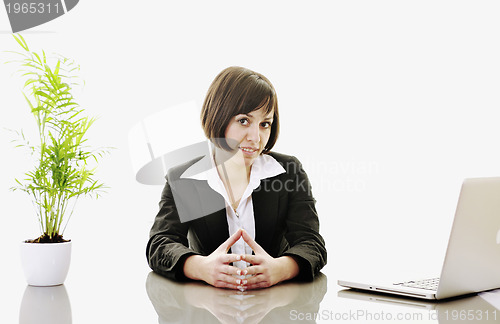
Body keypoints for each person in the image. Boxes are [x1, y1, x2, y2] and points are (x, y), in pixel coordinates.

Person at [146, 66, 326, 290]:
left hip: (275, 304)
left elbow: (312, 243)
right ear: (217, 116)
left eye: (264, 124)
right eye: (244, 121)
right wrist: (200, 267)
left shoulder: (288, 171)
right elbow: (160, 244)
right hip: (207, 306)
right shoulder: (183, 178)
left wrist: (281, 268)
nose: (256, 138)